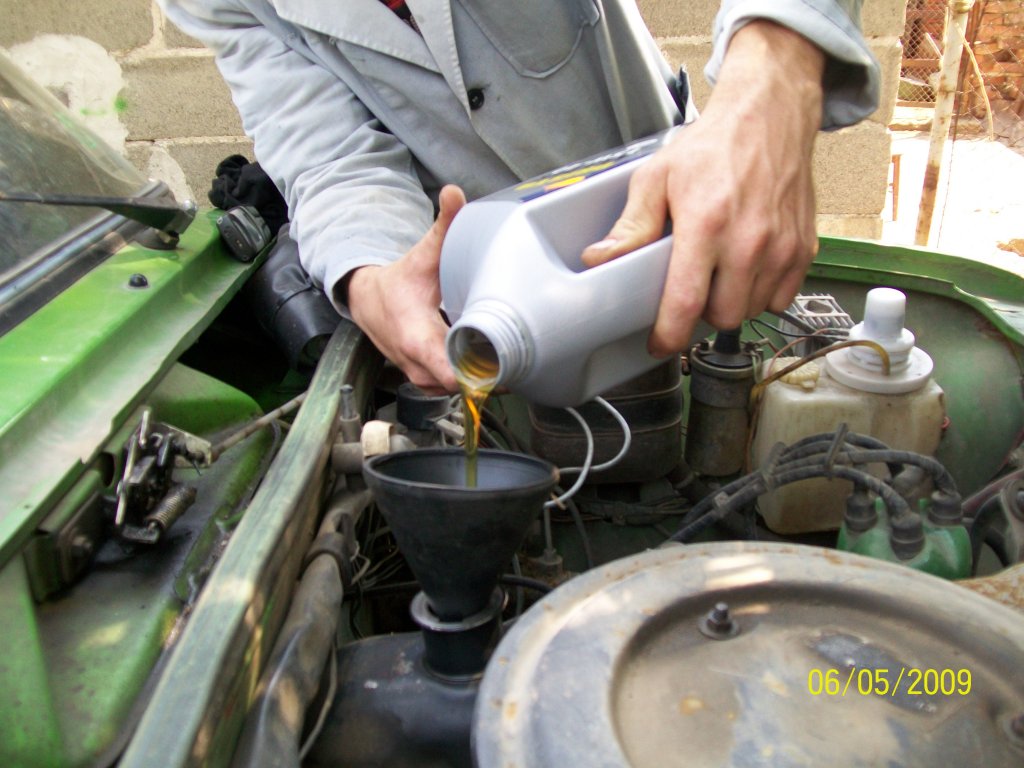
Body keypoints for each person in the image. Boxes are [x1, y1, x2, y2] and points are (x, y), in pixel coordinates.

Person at [160, 0, 879, 393]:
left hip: (675, 235)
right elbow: (329, 155)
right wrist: (371, 274)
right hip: (501, 313)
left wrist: (773, 75)